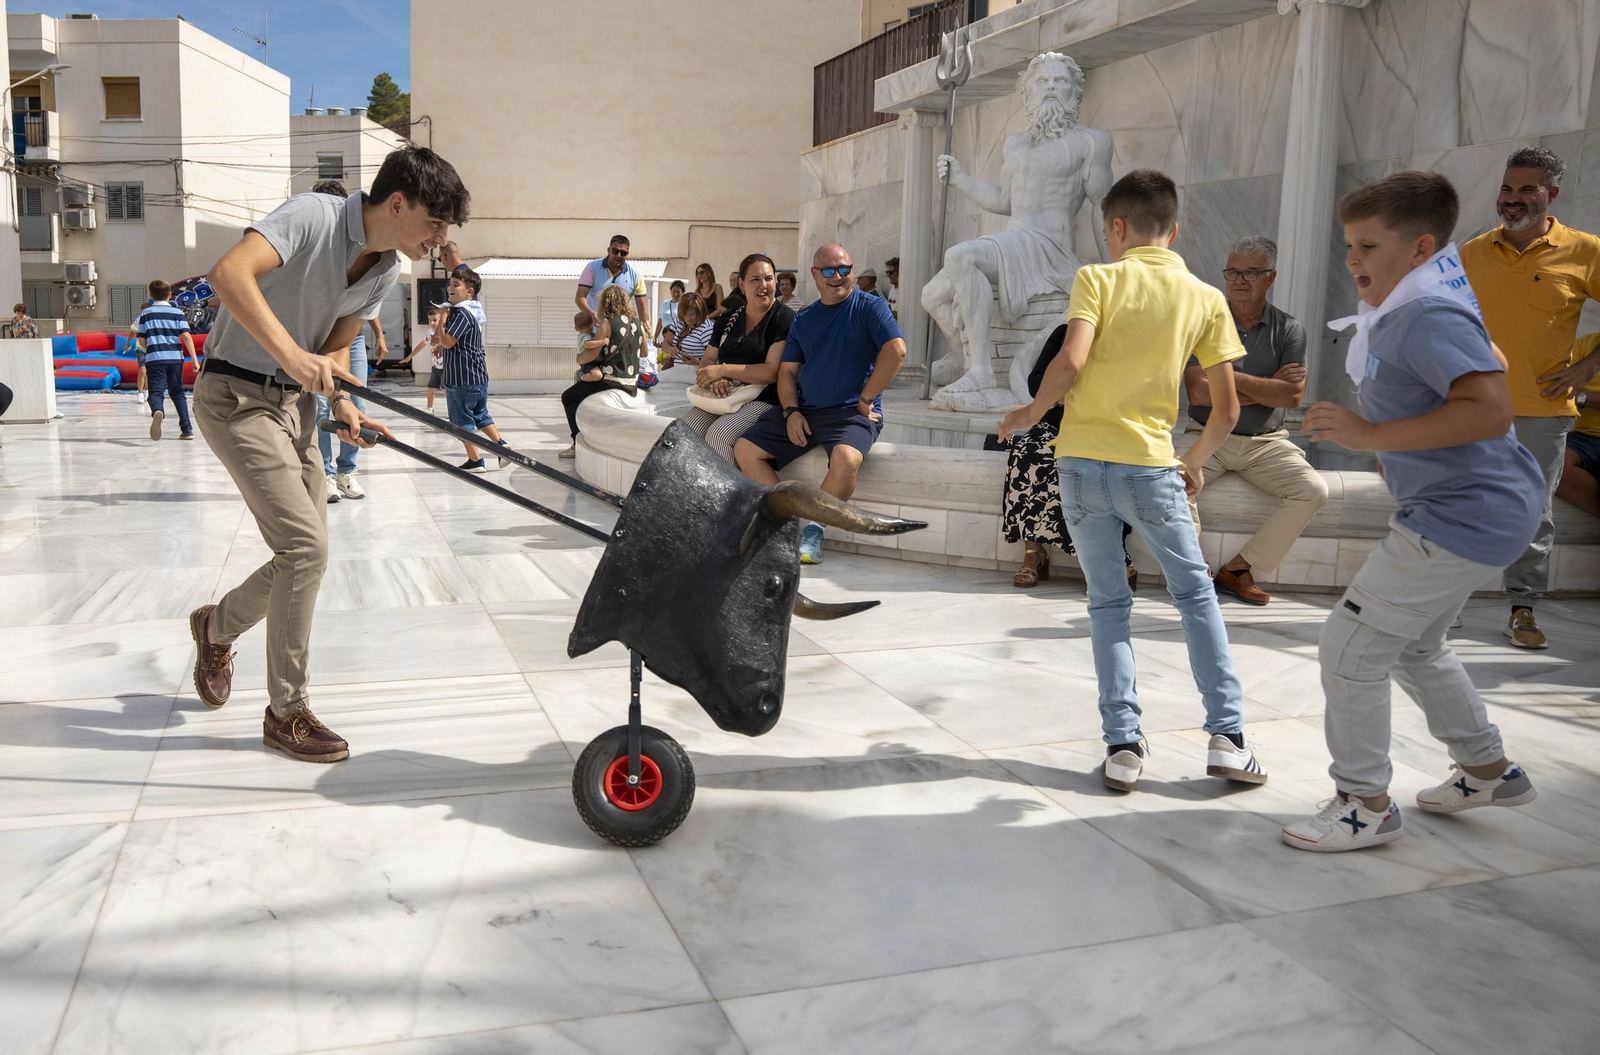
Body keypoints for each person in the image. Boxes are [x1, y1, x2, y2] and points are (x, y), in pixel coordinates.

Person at [1282, 170, 1543, 852]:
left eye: (1367, 246)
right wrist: (1395, 444)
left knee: (1350, 647)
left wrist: (1370, 436)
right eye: (1349, 245)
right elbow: (1494, 361)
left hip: (1461, 516)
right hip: (1482, 508)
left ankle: (1363, 802)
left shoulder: (1426, 312)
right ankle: (1488, 767)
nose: (1351, 260)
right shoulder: (1426, 300)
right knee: (1418, 645)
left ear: (1421, 248)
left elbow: (1490, 407)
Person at [189, 146, 467, 764]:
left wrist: (344, 404)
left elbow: (337, 349)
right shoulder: (312, 216)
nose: (440, 240)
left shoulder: (382, 270)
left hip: (298, 409)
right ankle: (285, 712)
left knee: (305, 555)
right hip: (235, 395)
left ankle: (216, 627)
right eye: (436, 223)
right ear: (398, 203)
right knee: (304, 549)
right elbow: (227, 274)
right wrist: (292, 357)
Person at [998, 169, 1267, 794]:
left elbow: (1071, 361)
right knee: (1195, 597)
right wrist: (1195, 459)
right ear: (1174, 230)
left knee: (1107, 603)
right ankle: (1227, 739)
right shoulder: (1205, 297)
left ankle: (1123, 748)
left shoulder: (1096, 278)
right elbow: (1225, 411)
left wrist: (1030, 414)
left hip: (1081, 467)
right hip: (1150, 466)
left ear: (1116, 228)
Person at [1460, 146, 1600, 650]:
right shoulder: (1473, 251)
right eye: (1506, 188)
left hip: (1543, 410)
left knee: (1531, 512)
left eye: (1526, 189)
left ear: (1552, 193)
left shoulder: (1585, 250)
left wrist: (1587, 368)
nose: (1512, 199)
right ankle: (1443, 602)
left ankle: (1522, 607)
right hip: (1473, 406)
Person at [734, 244, 907, 564]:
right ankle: (785, 527)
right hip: (807, 409)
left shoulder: (871, 307)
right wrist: (791, 412)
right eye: (828, 271)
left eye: (844, 269)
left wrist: (867, 398)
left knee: (846, 460)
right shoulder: (805, 318)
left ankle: (814, 530)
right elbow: (786, 373)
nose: (838, 276)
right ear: (814, 275)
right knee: (746, 449)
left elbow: (896, 351)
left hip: (851, 414)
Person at [1179, 236, 1327, 605]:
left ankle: (1240, 569)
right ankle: (1195, 573)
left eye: (1251, 272)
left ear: (1270, 277)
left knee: (1313, 490)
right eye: (1233, 272)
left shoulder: (1290, 330)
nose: (1239, 280)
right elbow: (1197, 393)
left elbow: (1292, 396)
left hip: (1267, 442)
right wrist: (1268, 385)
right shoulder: (1205, 323)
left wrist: (1226, 378)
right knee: (1171, 483)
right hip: (1208, 433)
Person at [1004, 322, 1135, 589]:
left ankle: (1106, 558)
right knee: (1029, 454)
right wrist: (1074, 392)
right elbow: (1036, 382)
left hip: (1106, 428)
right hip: (1055, 424)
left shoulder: (1127, 337)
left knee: (1095, 465)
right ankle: (1033, 552)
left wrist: (1067, 391)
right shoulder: (1066, 332)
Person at [679, 253, 794, 461]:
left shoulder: (783, 317)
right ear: (741, 284)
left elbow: (771, 372)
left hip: (764, 396)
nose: (763, 285)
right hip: (726, 393)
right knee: (685, 431)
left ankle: (729, 494)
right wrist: (716, 378)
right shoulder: (728, 318)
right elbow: (707, 360)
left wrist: (723, 370)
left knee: (719, 436)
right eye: (755, 279)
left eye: (769, 278)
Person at [560, 284, 644, 458]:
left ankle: (577, 442)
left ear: (606, 302)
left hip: (611, 381)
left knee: (568, 397)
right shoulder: (637, 323)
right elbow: (644, 352)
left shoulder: (607, 322)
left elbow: (591, 354)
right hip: (632, 383)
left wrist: (578, 359)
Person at [437, 267, 507, 473]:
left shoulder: (461, 314)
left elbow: (448, 342)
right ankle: (502, 447)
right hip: (477, 376)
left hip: (462, 378)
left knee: (461, 420)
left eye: (456, 285)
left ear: (470, 291)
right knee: (480, 414)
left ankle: (476, 460)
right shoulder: (474, 311)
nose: (450, 288)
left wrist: (442, 320)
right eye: (449, 284)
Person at [316, 317, 384, 501]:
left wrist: (379, 333)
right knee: (320, 408)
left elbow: (367, 305)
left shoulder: (371, 288)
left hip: (355, 338)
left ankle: (346, 471)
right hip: (320, 335)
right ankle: (325, 473)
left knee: (358, 404)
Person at [137, 280, 200, 441]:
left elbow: (142, 340)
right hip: (175, 359)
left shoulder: (146, 314)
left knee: (156, 392)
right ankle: (187, 429)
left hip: (155, 359)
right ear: (170, 294)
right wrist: (194, 360)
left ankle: (158, 410)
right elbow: (186, 335)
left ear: (151, 296)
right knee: (178, 393)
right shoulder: (177, 313)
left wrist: (150, 350)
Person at [1555, 333, 1600, 518]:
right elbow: (1559, 385)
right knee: (1553, 461)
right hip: (1584, 436)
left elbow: (1571, 393)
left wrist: (1582, 397)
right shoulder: (1586, 343)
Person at [575, 234, 649, 322]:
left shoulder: (635, 276)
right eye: (615, 251)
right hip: (595, 330)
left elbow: (642, 309)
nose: (618, 255)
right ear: (608, 250)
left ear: (627, 254)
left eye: (623, 253)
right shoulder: (592, 268)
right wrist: (590, 313)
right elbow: (579, 298)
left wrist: (644, 331)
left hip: (622, 332)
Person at [398, 305, 444, 414]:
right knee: (430, 386)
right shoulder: (430, 333)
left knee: (446, 389)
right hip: (435, 366)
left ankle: (453, 411)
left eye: (435, 320)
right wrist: (410, 356)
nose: (432, 323)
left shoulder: (444, 333)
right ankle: (429, 407)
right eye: (430, 320)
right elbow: (421, 345)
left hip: (446, 366)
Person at [654, 279, 685, 345]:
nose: (676, 294)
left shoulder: (684, 305)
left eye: (678, 292)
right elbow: (660, 322)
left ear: (683, 292)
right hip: (665, 337)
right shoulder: (665, 304)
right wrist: (655, 337)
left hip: (678, 339)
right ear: (670, 291)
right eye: (674, 291)